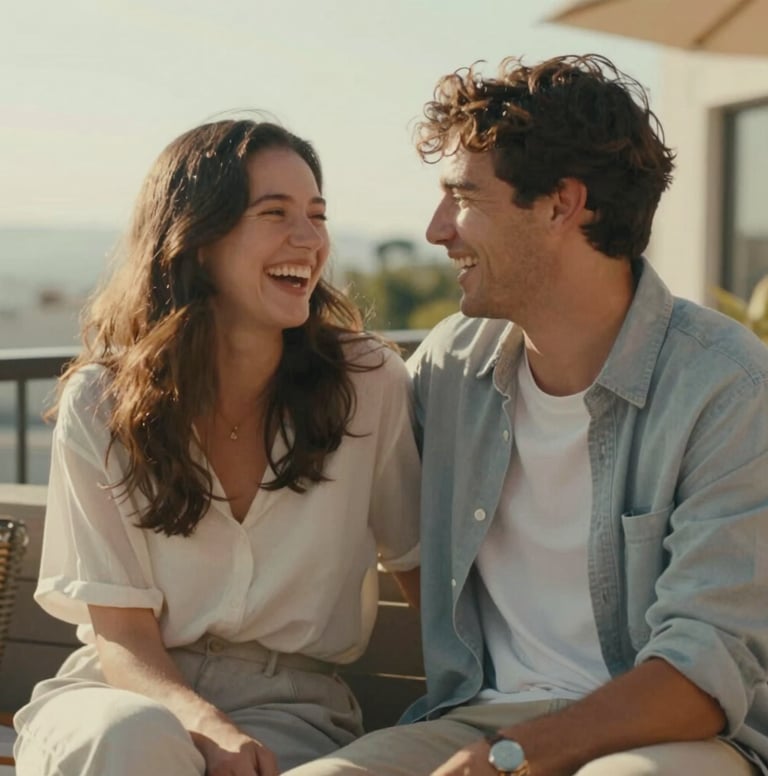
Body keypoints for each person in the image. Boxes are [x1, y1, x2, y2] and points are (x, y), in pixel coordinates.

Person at [284, 54, 768, 776]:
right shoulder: (451, 367)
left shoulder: (727, 388)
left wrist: (513, 758)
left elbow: (706, 669)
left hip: (673, 741)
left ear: (561, 205)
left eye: (462, 196)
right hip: (475, 721)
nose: (436, 229)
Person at [12, 118, 421, 776]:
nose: (309, 239)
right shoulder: (102, 403)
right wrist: (206, 726)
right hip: (120, 697)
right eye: (275, 213)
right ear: (200, 240)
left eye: (317, 215)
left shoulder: (367, 383)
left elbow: (421, 561)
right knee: (136, 739)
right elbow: (123, 637)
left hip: (293, 709)